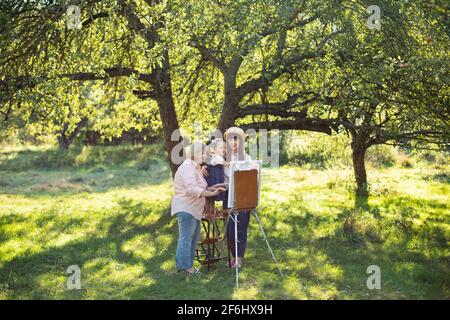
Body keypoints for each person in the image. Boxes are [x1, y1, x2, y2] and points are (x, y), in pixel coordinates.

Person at [171, 141, 226, 275]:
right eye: (202, 153)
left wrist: (214, 187)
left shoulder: (195, 167)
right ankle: (185, 268)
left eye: (205, 153)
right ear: (194, 153)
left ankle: (187, 267)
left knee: (192, 239)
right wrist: (211, 193)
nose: (204, 156)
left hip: (194, 209)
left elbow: (200, 187)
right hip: (186, 208)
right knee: (186, 238)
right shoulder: (187, 167)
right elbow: (192, 189)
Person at [223, 127, 252, 269]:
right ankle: (233, 256)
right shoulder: (222, 157)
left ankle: (239, 259)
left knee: (240, 228)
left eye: (236, 139)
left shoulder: (246, 158)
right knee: (229, 230)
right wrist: (202, 168)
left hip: (242, 197)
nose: (233, 142)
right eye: (230, 139)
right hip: (228, 196)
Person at [204, 138, 227, 216]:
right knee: (210, 196)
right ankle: (208, 211)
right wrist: (231, 164)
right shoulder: (217, 157)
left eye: (225, 148)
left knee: (211, 198)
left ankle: (210, 211)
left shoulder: (216, 157)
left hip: (214, 178)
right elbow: (223, 163)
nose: (223, 149)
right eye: (221, 148)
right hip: (213, 179)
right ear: (214, 149)